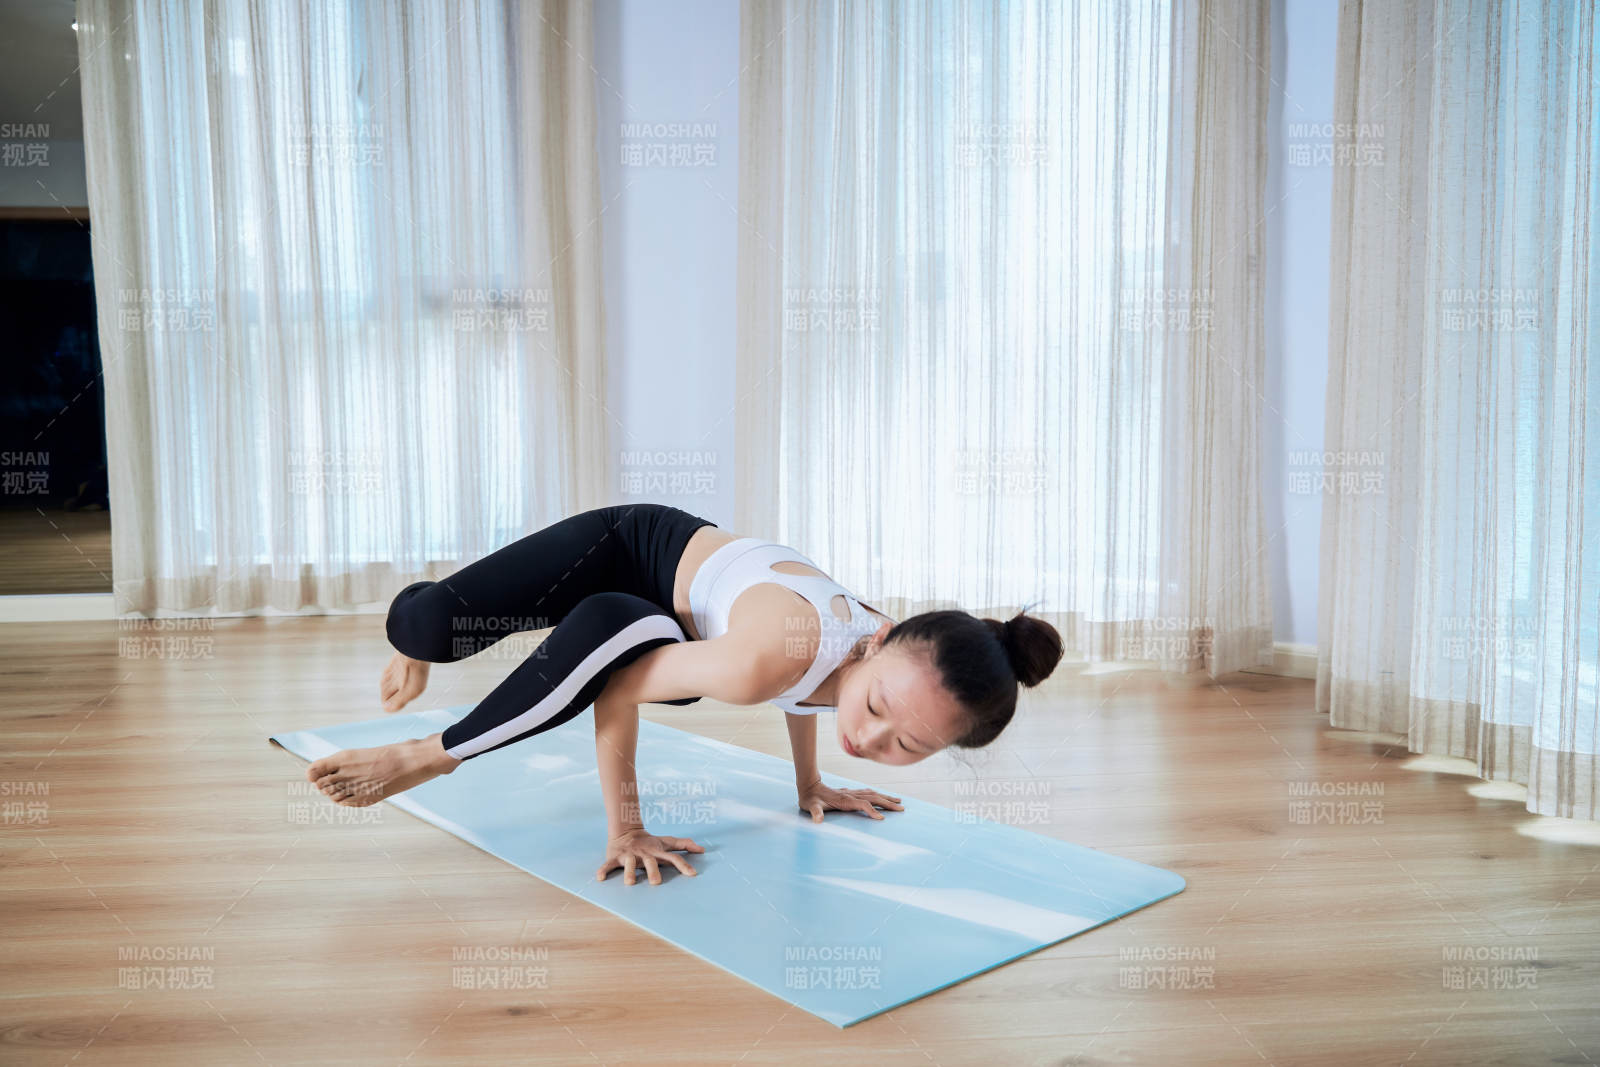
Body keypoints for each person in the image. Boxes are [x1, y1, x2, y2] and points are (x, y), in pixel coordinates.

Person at [305, 502, 1063, 887]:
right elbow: (617, 688)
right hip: (628, 550)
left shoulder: (874, 664)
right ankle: (430, 752)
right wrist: (625, 828)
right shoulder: (762, 659)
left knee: (628, 632)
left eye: (908, 746)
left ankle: (436, 733)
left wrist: (812, 783)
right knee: (432, 621)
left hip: (658, 620)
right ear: (880, 636)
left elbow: (821, 694)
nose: (870, 739)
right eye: (875, 713)